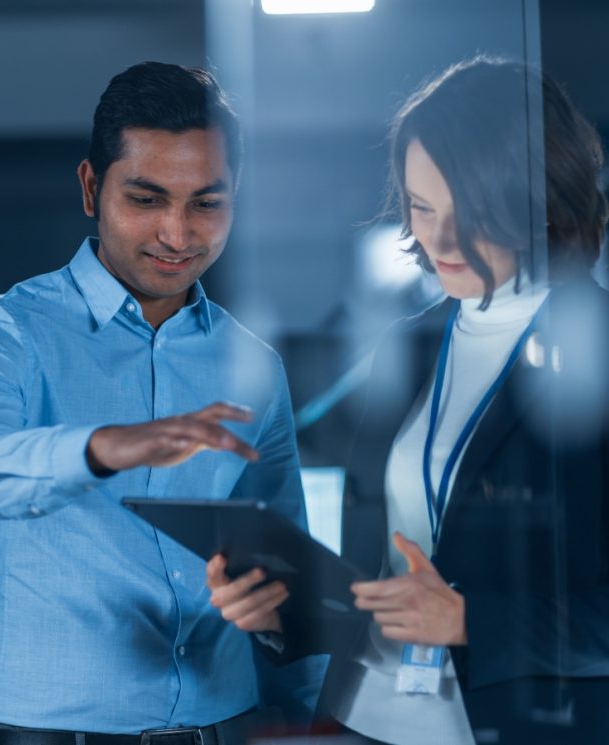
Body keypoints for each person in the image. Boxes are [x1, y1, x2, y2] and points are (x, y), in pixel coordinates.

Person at [207, 56, 609, 744]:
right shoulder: (411, 342)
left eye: (472, 212)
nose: (440, 239)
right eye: (423, 208)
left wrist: (466, 620)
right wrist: (283, 609)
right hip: (364, 718)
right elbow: (380, 572)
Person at [0, 61, 324, 744]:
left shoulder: (252, 364)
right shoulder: (3, 326)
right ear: (90, 187)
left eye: (206, 202)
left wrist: (309, 717)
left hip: (227, 727)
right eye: (146, 198)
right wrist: (106, 445)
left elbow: (287, 578)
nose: (177, 233)